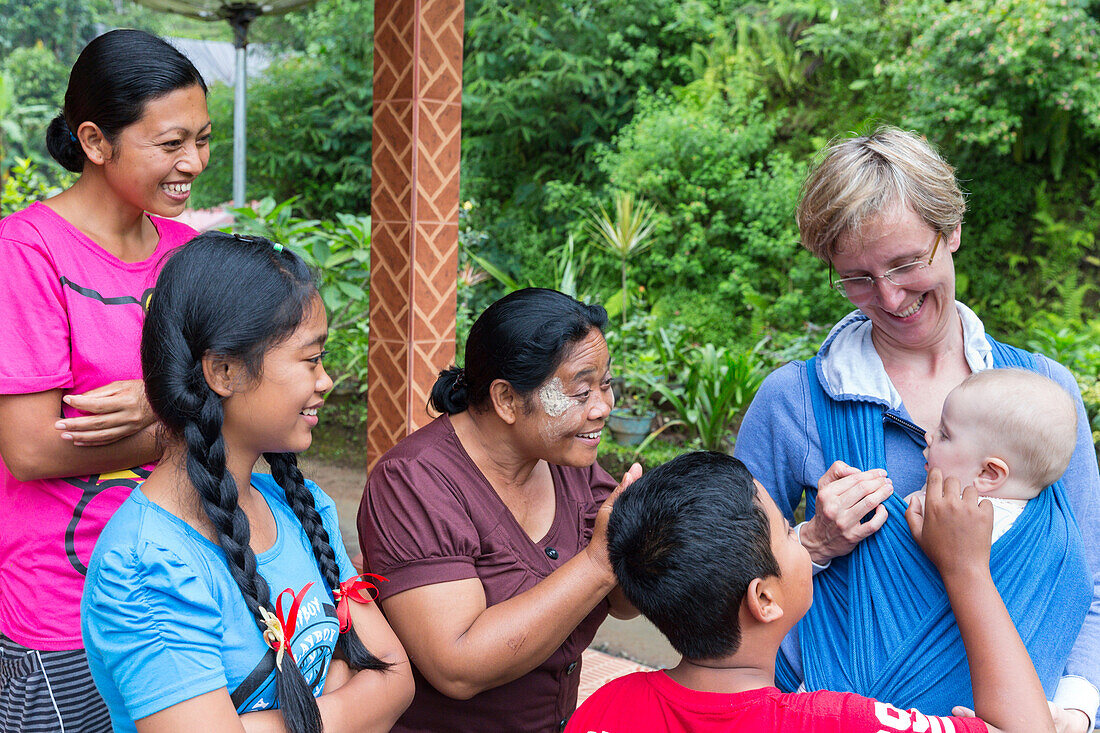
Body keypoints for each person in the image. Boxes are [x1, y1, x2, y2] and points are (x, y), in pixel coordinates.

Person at [733, 126, 1100, 730]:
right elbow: (724, 591)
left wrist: (1075, 713)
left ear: (951, 230)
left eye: (905, 263)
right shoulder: (794, 402)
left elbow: (1090, 582)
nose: (889, 295)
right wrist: (814, 544)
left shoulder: (1044, 396)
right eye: (857, 277)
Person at [80, 233, 414, 732]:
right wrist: (349, 686)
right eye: (309, 359)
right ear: (224, 371)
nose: (325, 381)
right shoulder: (148, 565)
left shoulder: (303, 507)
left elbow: (398, 679)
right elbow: (376, 680)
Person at [0, 29, 210, 732]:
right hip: (65, 603)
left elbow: (248, 399)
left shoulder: (189, 256)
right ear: (95, 141)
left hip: (182, 586)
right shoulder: (26, 253)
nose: (195, 163)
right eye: (172, 142)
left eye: (204, 140)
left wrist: (161, 412)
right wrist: (178, 420)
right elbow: (29, 450)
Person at [568, 451, 1054, 733]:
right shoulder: (835, 723)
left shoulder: (608, 705)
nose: (805, 536)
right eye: (787, 529)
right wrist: (968, 569)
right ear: (764, 600)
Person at [358, 287, 641, 732]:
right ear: (507, 399)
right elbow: (457, 666)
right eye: (581, 391)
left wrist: (645, 539)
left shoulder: (569, 462)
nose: (603, 407)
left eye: (605, 385)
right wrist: (601, 562)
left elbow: (622, 603)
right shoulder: (413, 482)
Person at [910, 368, 1079, 543]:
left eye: (944, 435)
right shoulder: (1043, 529)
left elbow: (893, 519)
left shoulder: (949, 517)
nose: (928, 436)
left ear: (988, 474)